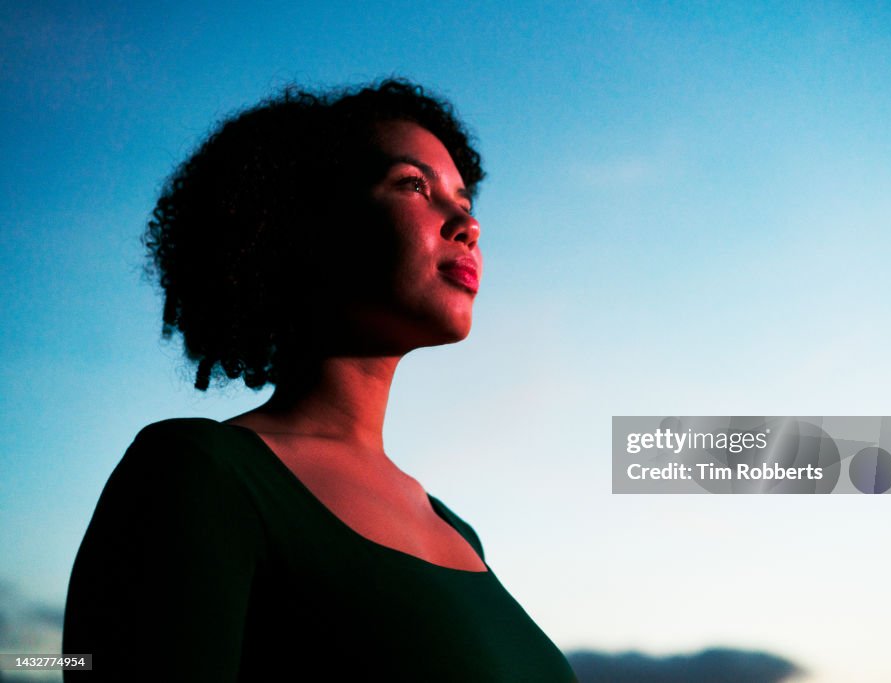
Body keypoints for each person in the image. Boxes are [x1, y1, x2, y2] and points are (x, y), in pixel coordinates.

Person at [63, 80, 577, 681]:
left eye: (463, 200)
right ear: (308, 223)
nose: (468, 223)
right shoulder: (201, 474)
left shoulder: (455, 530)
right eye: (414, 185)